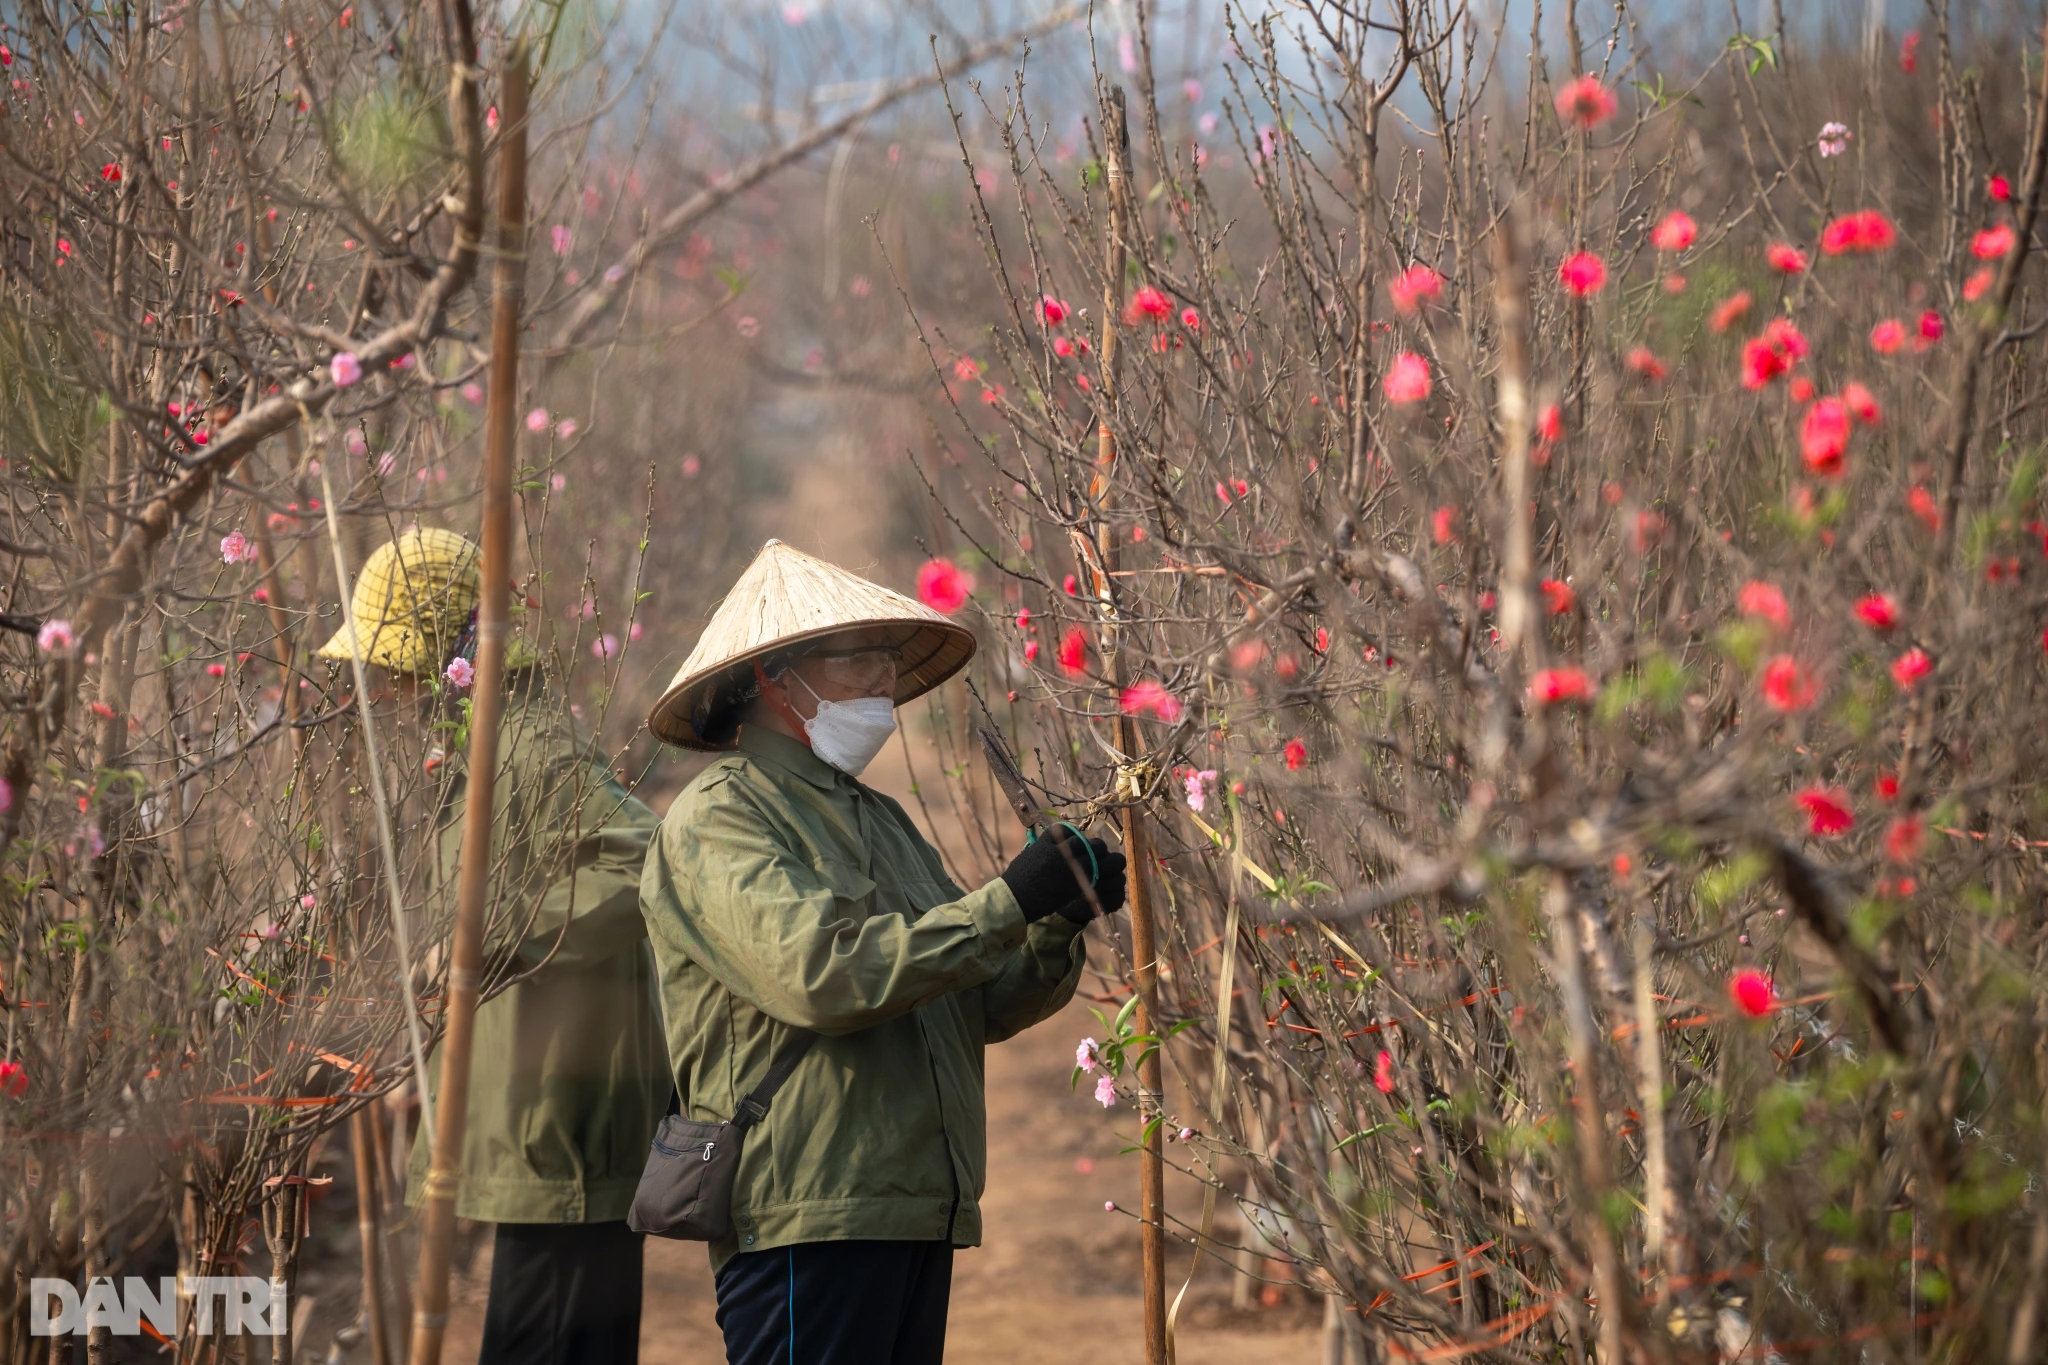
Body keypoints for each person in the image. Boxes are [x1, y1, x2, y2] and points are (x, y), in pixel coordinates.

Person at [639, 539, 1127, 1365]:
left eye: (885, 660)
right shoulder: (721, 817)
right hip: (807, 1206)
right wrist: (1007, 898)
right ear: (773, 676)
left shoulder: (882, 820)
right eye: (856, 658)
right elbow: (822, 975)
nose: (881, 682)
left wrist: (1053, 918)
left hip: (910, 1204)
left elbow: (975, 1000)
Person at [318, 527, 667, 1365]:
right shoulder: (479, 749)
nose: (387, 688)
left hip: (564, 1145)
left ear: (448, 653)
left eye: (397, 667)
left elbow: (646, 862)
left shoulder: (531, 746)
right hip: (535, 1132)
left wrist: (488, 939)